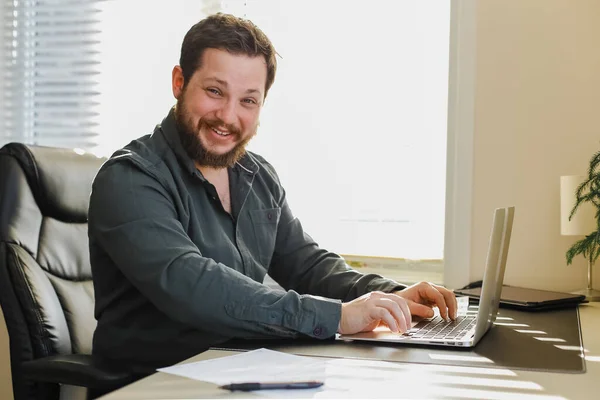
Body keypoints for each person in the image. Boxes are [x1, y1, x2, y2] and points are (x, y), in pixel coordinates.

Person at [89, 13, 457, 376]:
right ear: (179, 82)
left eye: (248, 100)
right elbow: (191, 284)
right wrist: (338, 317)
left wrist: (392, 296)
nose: (228, 116)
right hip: (154, 383)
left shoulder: (257, 174)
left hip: (244, 369)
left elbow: (308, 265)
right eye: (215, 91)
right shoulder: (130, 179)